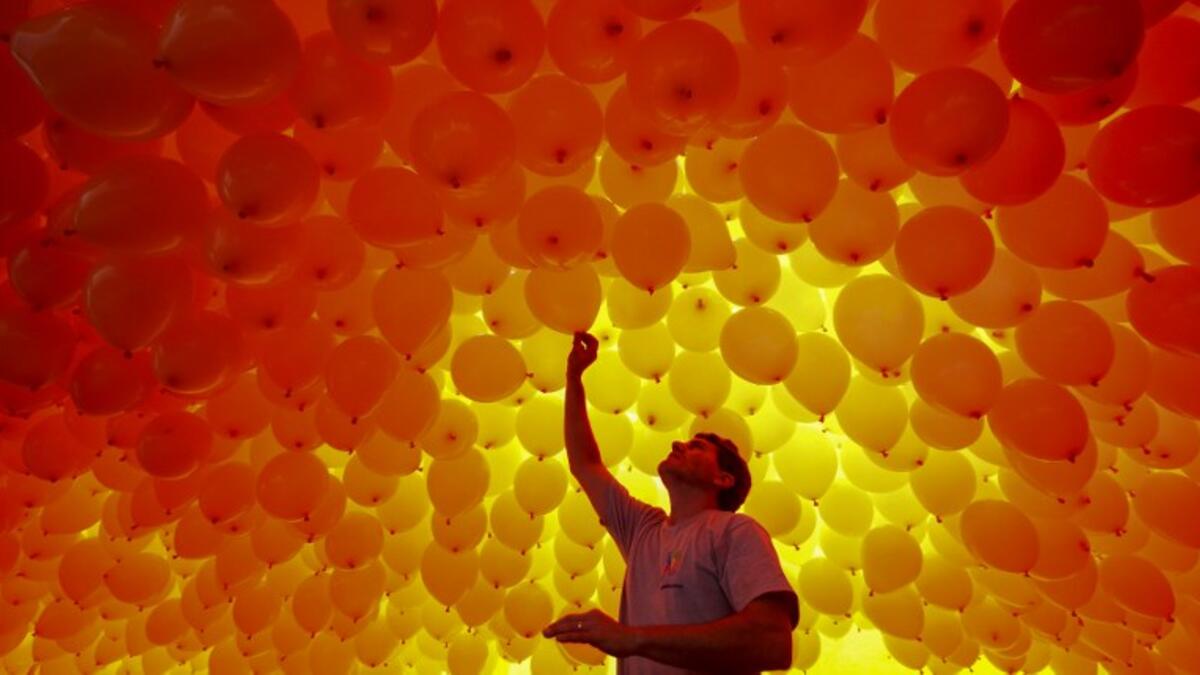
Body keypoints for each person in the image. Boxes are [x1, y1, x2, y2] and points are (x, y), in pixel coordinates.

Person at [543, 331, 800, 674]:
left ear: (723, 479)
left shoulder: (735, 531)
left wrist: (634, 639)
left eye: (697, 447)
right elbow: (586, 465)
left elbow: (772, 643)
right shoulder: (642, 530)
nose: (679, 445)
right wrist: (573, 378)